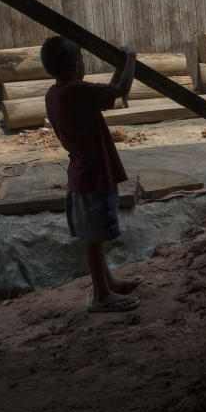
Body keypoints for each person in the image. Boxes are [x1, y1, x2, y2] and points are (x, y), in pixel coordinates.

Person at [41, 36, 143, 313]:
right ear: (77, 66)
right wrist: (131, 58)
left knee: (93, 236)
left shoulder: (56, 93)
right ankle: (101, 295)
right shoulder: (76, 91)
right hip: (92, 176)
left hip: (82, 174)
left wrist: (120, 66)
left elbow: (107, 96)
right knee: (94, 240)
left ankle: (108, 282)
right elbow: (121, 90)